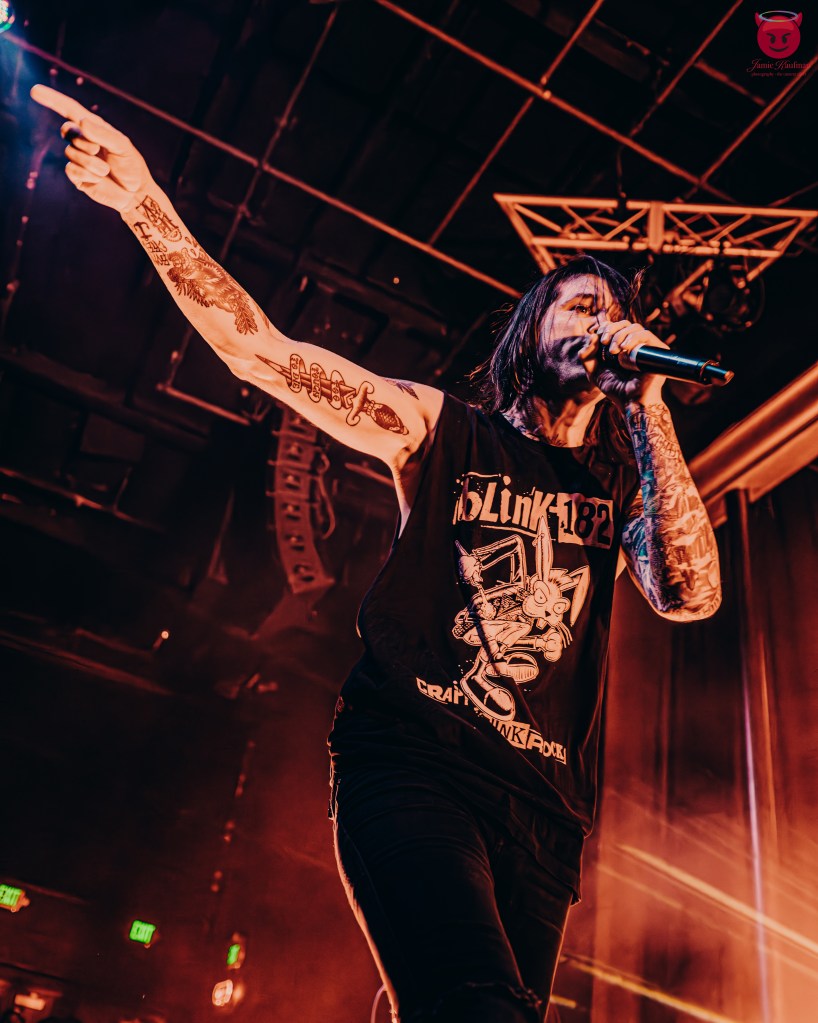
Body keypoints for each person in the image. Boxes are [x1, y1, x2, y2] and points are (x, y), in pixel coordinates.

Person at [30, 84, 721, 1023]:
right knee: (479, 1004)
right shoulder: (440, 429)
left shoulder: (618, 488)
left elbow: (688, 594)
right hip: (414, 761)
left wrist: (650, 407)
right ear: (531, 328)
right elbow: (258, 351)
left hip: (544, 815)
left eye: (612, 311)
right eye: (577, 305)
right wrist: (145, 201)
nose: (598, 322)